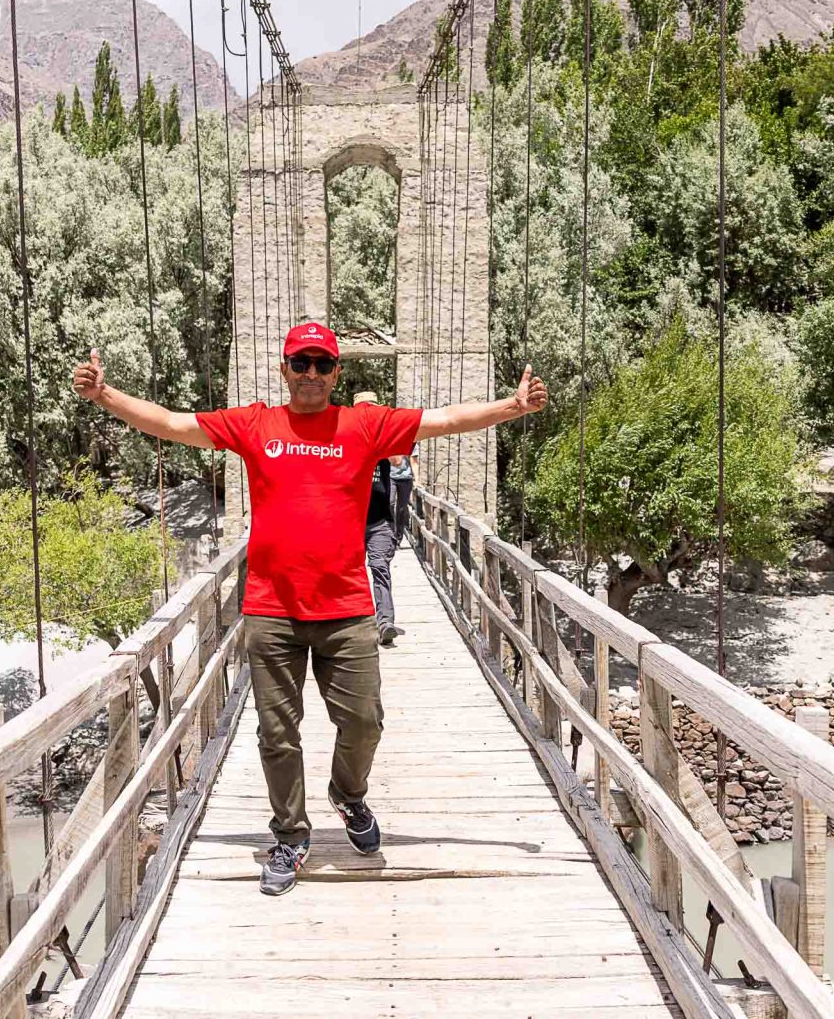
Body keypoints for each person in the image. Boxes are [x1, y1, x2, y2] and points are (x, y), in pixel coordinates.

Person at [72, 322, 547, 895]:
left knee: (365, 723)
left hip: (346, 609)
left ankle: (348, 796)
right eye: (302, 363)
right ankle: (291, 836)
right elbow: (173, 425)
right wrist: (105, 396)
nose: (312, 375)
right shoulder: (255, 424)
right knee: (278, 734)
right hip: (272, 610)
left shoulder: (363, 425)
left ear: (337, 373)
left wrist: (513, 408)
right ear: (284, 369)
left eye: (323, 364)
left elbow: (444, 420)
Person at [352, 391, 400, 647]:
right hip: (349, 522)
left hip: (379, 521)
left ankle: (385, 623)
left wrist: (387, 424)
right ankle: (354, 623)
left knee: (380, 567)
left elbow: (397, 458)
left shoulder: (384, 441)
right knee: (349, 572)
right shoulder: (343, 440)